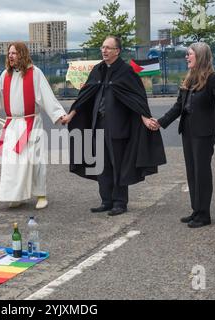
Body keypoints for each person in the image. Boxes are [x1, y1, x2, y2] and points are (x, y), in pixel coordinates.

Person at [64, 36, 166, 216]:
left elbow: (136, 98)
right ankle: (106, 200)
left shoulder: (126, 71)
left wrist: (144, 117)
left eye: (108, 48)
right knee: (101, 165)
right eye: (103, 47)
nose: (104, 51)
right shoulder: (98, 70)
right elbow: (85, 95)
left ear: (117, 51)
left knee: (118, 164)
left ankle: (120, 202)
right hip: (98, 124)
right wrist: (72, 114)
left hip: (118, 127)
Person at [153, 42, 215, 228]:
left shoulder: (213, 79)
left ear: (200, 56)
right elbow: (179, 107)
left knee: (202, 172)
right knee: (192, 172)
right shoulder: (189, 79)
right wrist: (160, 122)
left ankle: (204, 214)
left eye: (189, 54)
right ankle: (196, 209)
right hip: (188, 131)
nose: (186, 57)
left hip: (203, 133)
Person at [0, 42, 67, 209]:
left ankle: (41, 195)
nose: (11, 56)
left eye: (14, 53)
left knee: (35, 161)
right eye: (9, 53)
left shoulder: (35, 73)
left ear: (22, 54)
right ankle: (17, 195)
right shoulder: (5, 76)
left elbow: (47, 96)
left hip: (31, 123)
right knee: (12, 161)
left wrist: (59, 114)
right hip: (13, 124)